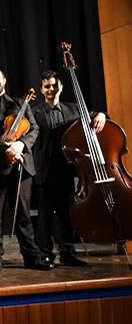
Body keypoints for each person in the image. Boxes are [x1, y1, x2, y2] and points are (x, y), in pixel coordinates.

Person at [0, 65, 52, 272]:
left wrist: (20, 145)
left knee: (23, 213)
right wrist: (6, 148)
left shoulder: (21, 103)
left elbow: (33, 128)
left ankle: (31, 256)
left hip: (20, 164)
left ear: (4, 80)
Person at [32, 70, 105, 267]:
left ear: (61, 87)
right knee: (45, 216)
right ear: (41, 89)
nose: (51, 89)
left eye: (54, 85)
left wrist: (101, 115)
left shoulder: (74, 109)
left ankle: (67, 252)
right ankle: (45, 254)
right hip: (44, 169)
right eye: (47, 86)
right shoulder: (34, 112)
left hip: (67, 168)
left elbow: (94, 116)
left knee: (66, 214)